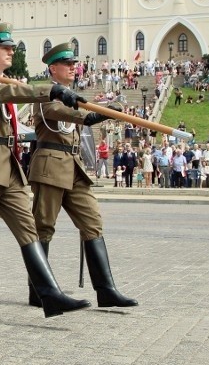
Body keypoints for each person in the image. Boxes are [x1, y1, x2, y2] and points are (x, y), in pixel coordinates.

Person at [0, 23, 90, 321]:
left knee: (29, 231)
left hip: (8, 166)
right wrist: (52, 90)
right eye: (5, 47)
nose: (11, 51)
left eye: (12, 47)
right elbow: (12, 92)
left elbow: (11, 90)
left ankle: (48, 294)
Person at [29, 43, 138, 309]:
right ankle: (38, 290)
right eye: (67, 64)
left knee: (92, 223)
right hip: (51, 166)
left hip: (73, 167)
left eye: (74, 63)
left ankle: (106, 290)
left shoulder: (71, 94)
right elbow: (75, 116)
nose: (73, 67)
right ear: (53, 69)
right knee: (43, 228)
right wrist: (103, 111)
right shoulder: (45, 95)